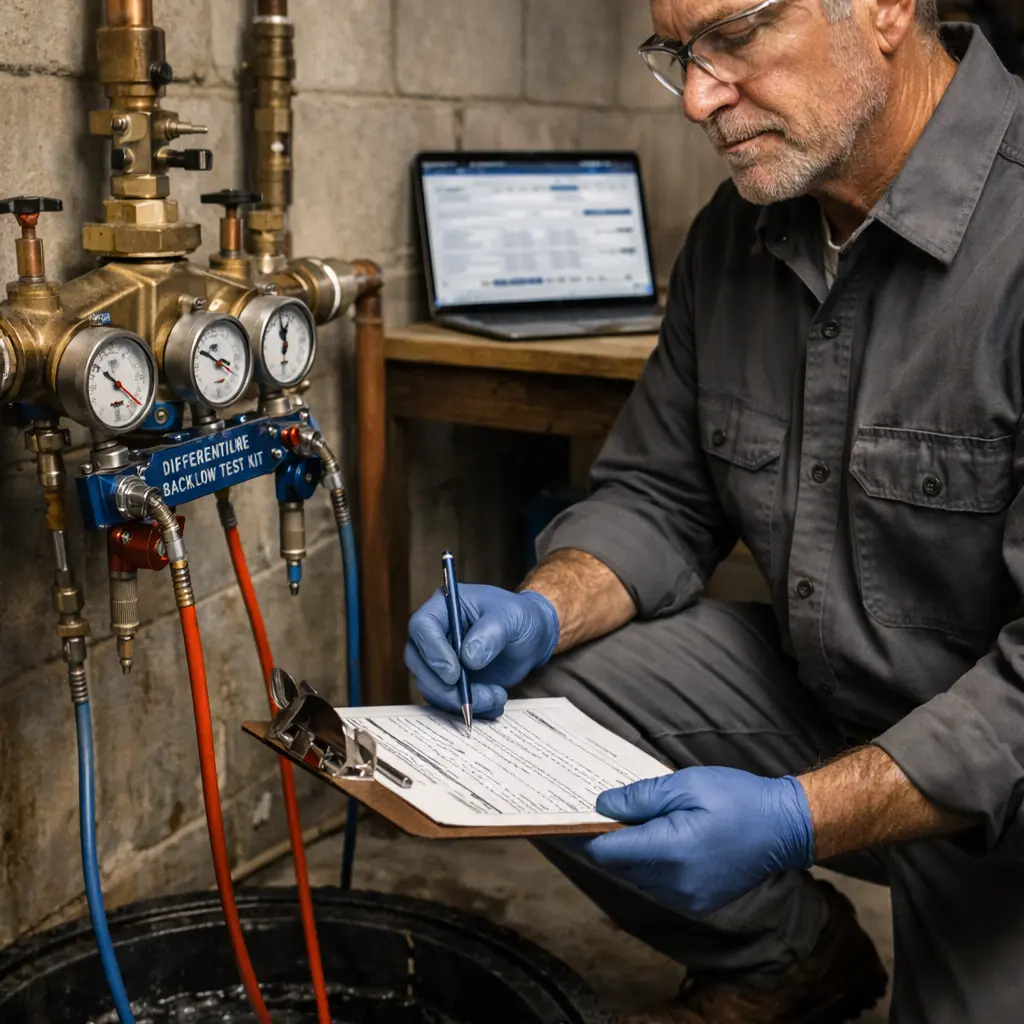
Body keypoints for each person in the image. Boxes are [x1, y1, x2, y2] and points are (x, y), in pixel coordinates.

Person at [405, 0, 1024, 1020]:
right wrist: (544, 604)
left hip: (1002, 793)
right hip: (830, 698)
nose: (697, 98)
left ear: (885, 9)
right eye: (680, 54)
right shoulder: (732, 238)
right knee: (531, 694)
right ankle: (791, 959)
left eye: (736, 37)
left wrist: (797, 816)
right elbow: (658, 493)